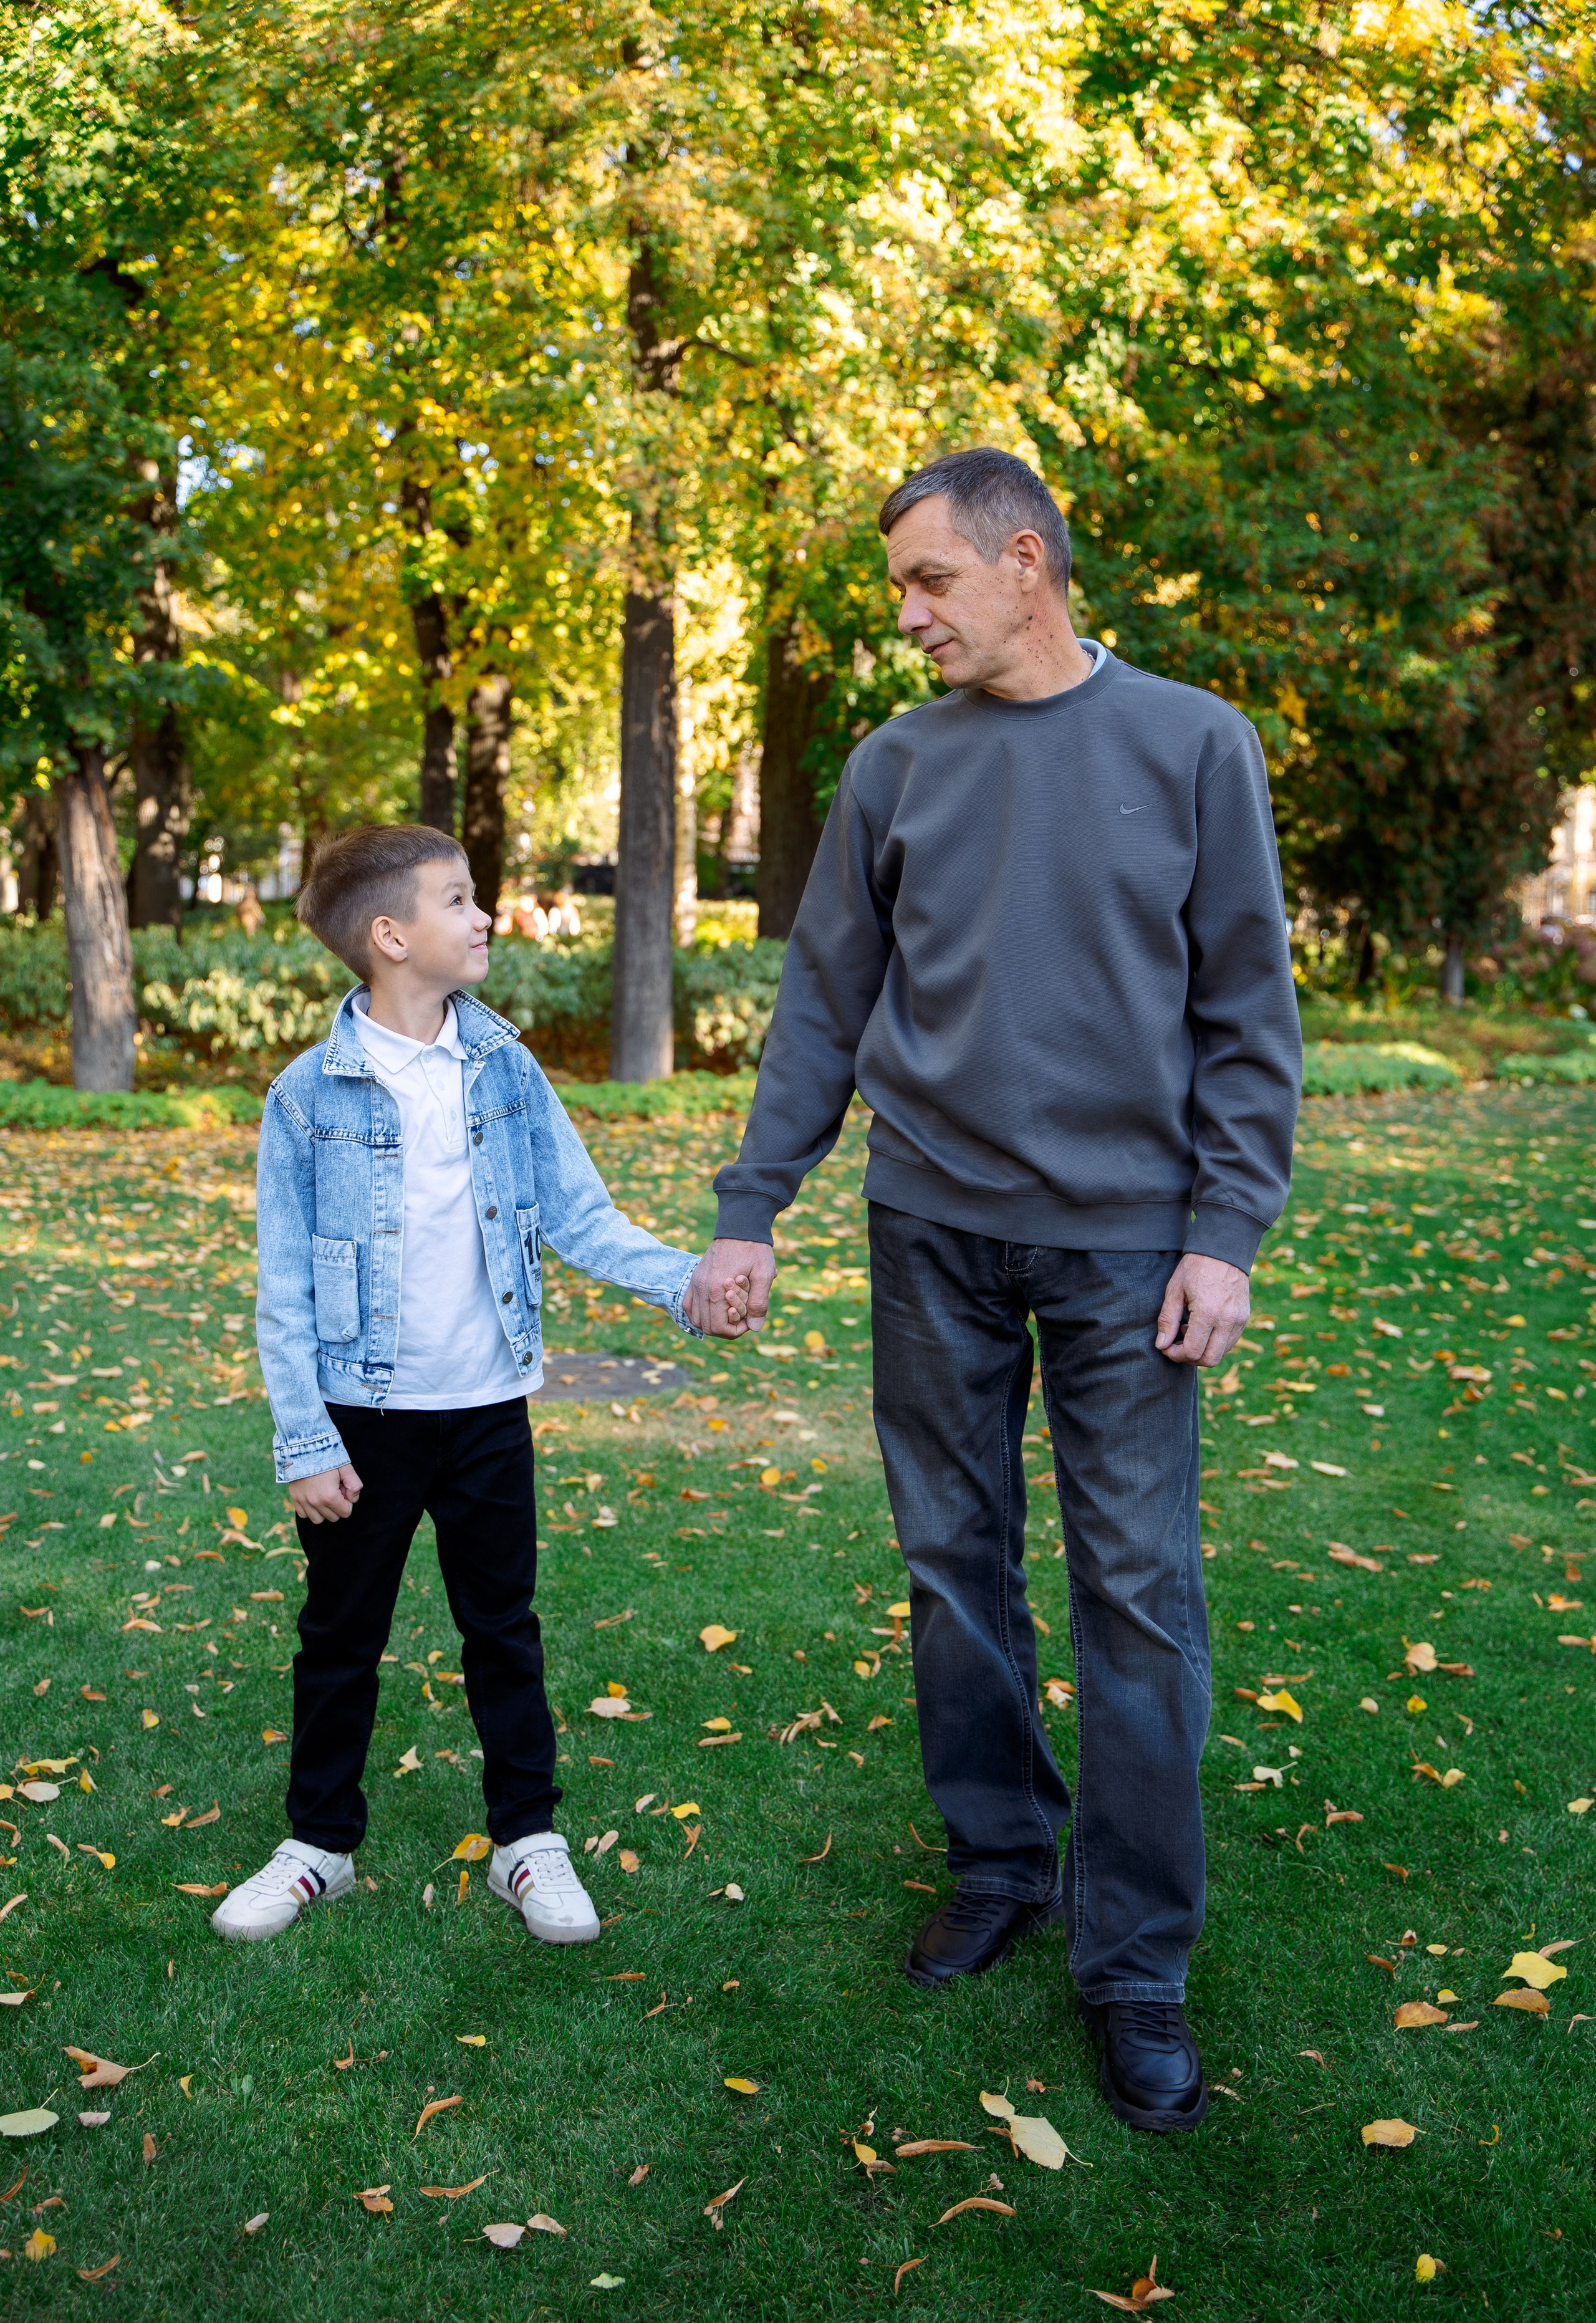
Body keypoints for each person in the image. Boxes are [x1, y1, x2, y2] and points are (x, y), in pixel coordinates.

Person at [686, 448, 1300, 2133]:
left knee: (1136, 1591)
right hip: (930, 1228)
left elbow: (1250, 1012)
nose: (909, 615)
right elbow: (825, 1003)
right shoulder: (895, 767)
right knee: (954, 1570)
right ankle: (1002, 1861)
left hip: (1126, 1246)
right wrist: (753, 1210)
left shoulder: (1194, 746)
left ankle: (1138, 1964)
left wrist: (1225, 1233)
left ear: (1025, 563)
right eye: (903, 586)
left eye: (930, 582)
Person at [214, 825, 701, 1947]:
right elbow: (284, 1290)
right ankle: (319, 1846)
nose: (485, 916)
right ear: (391, 937)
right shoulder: (305, 1099)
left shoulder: (505, 1068)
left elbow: (577, 1214)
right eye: (460, 899)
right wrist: (303, 1440)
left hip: (486, 1410)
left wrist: (683, 1284)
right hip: (360, 1424)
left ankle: (526, 1842)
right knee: (340, 1636)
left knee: (504, 1628)